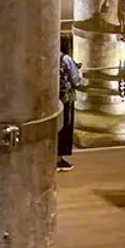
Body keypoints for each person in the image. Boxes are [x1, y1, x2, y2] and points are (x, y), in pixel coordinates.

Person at [57, 34, 85, 172]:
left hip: (51, 98)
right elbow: (77, 82)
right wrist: (80, 74)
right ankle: (59, 159)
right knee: (65, 128)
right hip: (66, 98)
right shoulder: (66, 59)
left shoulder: (49, 54)